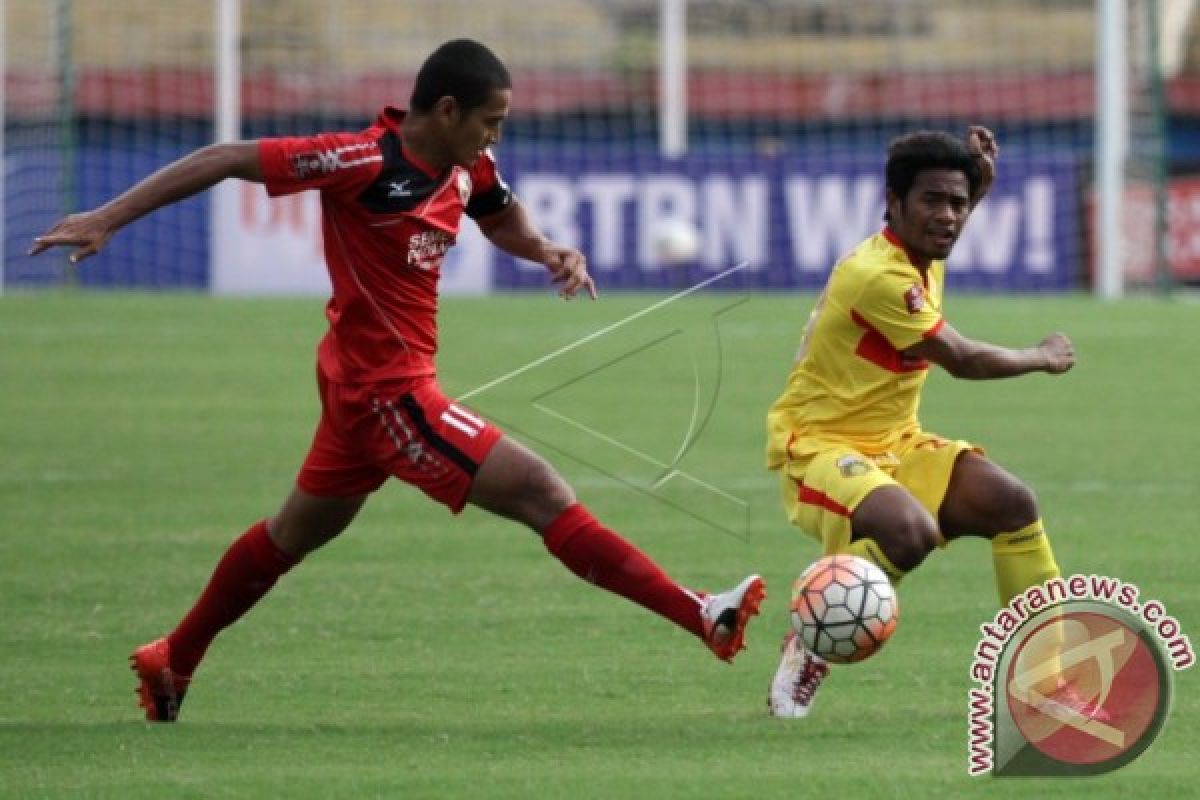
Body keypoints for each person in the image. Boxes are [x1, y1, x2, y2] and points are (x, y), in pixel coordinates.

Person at [30, 39, 765, 723]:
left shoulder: (464, 163)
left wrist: (545, 251)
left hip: (363, 394)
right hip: (390, 397)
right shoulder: (357, 161)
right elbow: (227, 157)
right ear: (447, 111)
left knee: (289, 537)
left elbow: (497, 214)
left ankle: (173, 660)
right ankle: (701, 614)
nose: (495, 138)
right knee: (543, 493)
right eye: (491, 121)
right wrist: (109, 217)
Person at [763, 127, 1083, 718]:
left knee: (1013, 505)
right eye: (933, 200)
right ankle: (811, 643)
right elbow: (961, 360)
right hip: (820, 448)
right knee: (907, 533)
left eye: (959, 204)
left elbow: (946, 220)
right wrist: (1042, 356)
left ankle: (1044, 686)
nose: (949, 217)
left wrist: (978, 181)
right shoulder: (878, 276)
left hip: (897, 442)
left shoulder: (921, 251)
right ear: (893, 202)